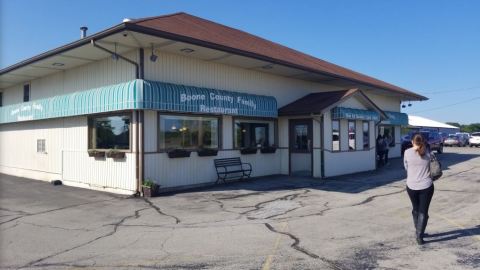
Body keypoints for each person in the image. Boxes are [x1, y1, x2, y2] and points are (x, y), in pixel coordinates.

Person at [403, 133, 434, 245]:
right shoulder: (429, 152)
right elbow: (434, 167)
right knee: (423, 211)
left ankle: (418, 231)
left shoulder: (407, 152)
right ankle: (419, 235)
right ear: (423, 141)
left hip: (411, 185)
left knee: (416, 209)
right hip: (426, 185)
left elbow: (406, 167)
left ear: (412, 142)